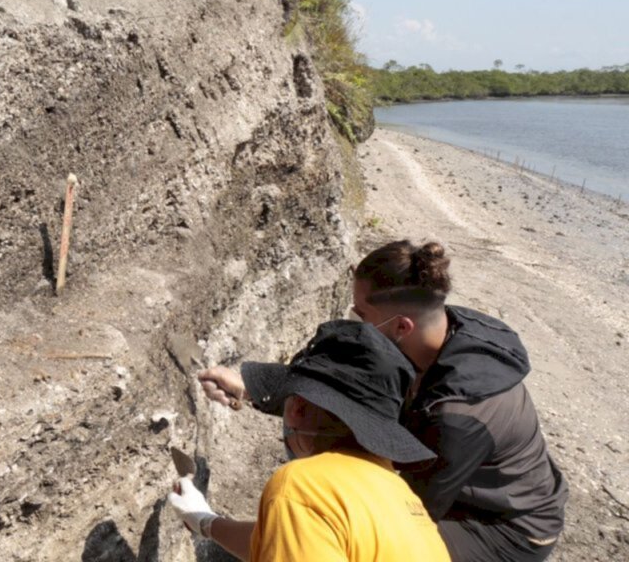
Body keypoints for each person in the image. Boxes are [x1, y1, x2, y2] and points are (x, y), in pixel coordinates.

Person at [201, 240, 567, 562]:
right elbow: (352, 390)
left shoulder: (458, 416)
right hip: (464, 483)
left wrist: (213, 524)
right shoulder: (440, 334)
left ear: (401, 326)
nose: (355, 323)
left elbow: (398, 512)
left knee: (362, 532)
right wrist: (251, 387)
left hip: (505, 524)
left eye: (362, 316)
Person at [169, 320, 451, 562]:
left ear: (297, 409)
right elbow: (283, 542)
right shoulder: (399, 495)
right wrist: (206, 522)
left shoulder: (302, 486)